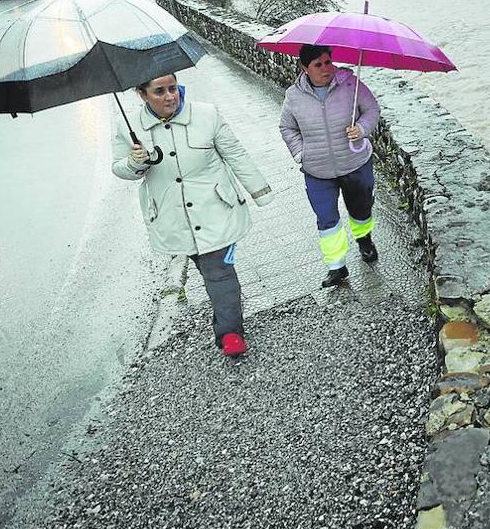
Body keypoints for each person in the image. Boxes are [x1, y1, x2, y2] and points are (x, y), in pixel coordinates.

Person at [112, 74, 273, 357]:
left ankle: (230, 333)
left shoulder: (206, 115)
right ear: (142, 94)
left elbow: (235, 153)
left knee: (219, 271)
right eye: (159, 91)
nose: (169, 96)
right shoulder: (129, 126)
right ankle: (225, 319)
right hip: (172, 217)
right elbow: (120, 169)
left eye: (172, 88)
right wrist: (134, 162)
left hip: (215, 209)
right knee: (209, 271)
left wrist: (259, 192)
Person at [279, 44, 380, 288]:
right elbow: (287, 128)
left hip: (355, 163)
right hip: (317, 171)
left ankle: (364, 238)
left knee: (361, 209)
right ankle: (336, 267)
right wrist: (301, 154)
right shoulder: (294, 96)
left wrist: (362, 129)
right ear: (304, 68)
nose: (326, 68)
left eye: (328, 62)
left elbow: (372, 109)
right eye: (318, 65)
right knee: (326, 219)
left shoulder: (350, 85)